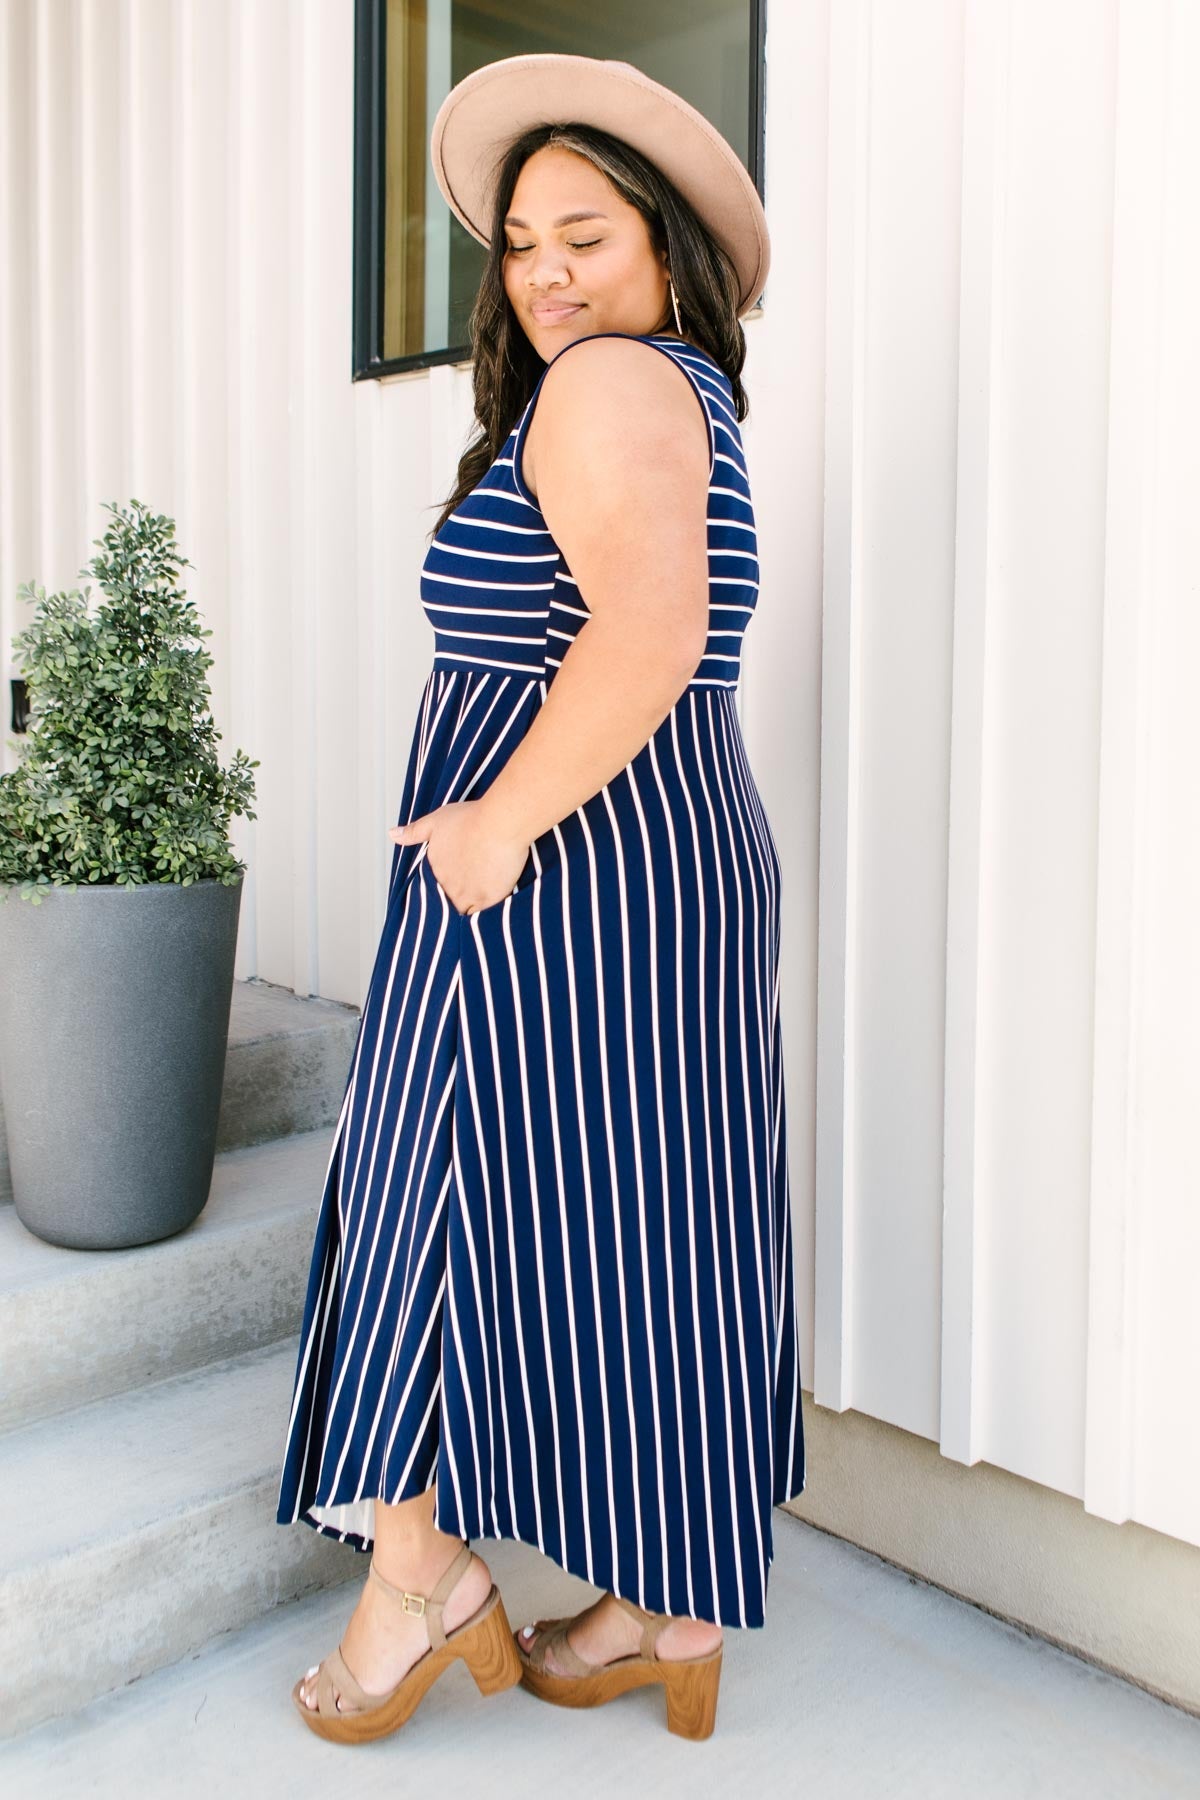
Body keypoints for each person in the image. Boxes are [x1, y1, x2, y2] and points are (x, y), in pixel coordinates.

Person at [277, 51, 806, 1747]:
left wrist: (498, 822)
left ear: (665, 247)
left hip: (565, 862)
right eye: (519, 244)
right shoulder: (666, 392)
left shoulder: (610, 390)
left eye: (587, 231)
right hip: (659, 858)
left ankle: (415, 1579)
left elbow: (646, 632)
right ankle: (668, 1607)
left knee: (430, 1192)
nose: (548, 271)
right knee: (652, 1227)